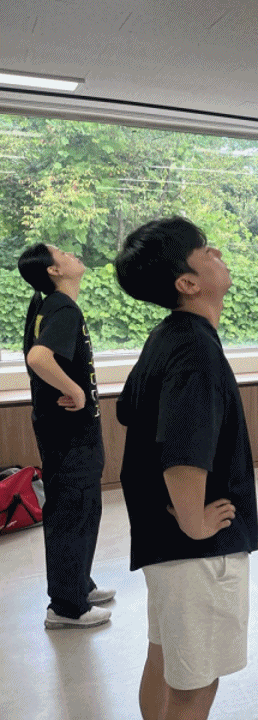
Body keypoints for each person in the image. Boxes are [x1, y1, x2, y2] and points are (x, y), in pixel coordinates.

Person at [114, 217, 258, 720]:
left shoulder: (168, 336)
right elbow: (183, 449)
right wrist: (195, 522)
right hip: (195, 549)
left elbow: (129, 409)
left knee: (165, 658)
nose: (217, 252)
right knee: (195, 684)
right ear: (188, 283)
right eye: (205, 250)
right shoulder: (196, 349)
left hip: (161, 541)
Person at [17, 243, 115, 629]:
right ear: (54, 271)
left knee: (81, 508)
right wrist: (74, 390)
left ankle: (76, 585)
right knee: (72, 511)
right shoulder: (61, 308)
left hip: (66, 431)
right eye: (61, 253)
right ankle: (67, 607)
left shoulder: (52, 306)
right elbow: (38, 358)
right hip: (70, 434)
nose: (72, 254)